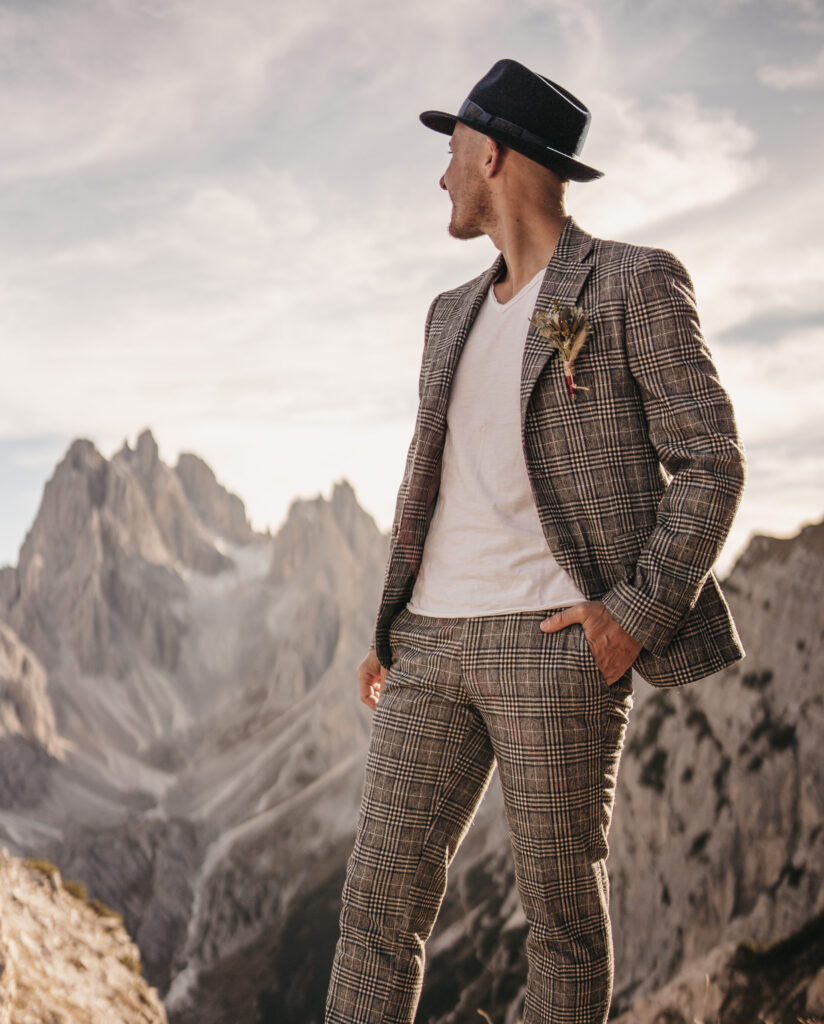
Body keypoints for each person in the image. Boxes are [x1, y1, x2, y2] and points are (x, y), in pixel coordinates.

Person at [325, 58, 745, 1024]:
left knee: (560, 927)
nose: (440, 174)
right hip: (430, 642)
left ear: (494, 156)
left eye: (452, 150)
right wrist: (393, 625)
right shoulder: (447, 315)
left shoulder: (634, 282)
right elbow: (436, 480)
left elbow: (712, 463)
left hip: (556, 644)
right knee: (374, 912)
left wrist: (633, 616)